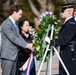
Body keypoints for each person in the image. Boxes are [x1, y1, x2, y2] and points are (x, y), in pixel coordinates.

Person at [0, 5, 33, 75]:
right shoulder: (6, 24)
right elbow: (13, 38)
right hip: (8, 56)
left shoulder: (14, 24)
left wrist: (28, 44)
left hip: (14, 56)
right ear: (14, 12)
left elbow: (18, 37)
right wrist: (27, 45)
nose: (21, 16)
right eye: (20, 14)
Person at [45, 3, 76, 75]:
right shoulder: (67, 23)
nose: (61, 12)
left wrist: (53, 42)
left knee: (68, 72)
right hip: (65, 52)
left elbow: (66, 39)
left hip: (70, 54)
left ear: (68, 12)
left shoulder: (71, 24)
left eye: (62, 11)